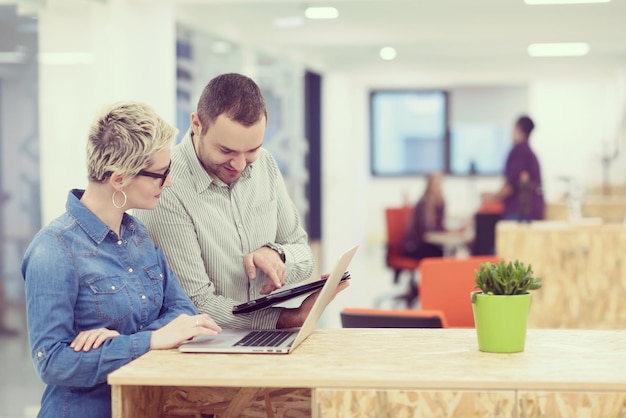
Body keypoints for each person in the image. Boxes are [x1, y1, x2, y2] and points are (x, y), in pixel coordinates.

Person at [21, 102, 222, 418]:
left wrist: (128, 342)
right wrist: (151, 340)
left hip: (141, 405)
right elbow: (53, 363)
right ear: (119, 179)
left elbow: (183, 311)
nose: (168, 182)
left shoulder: (137, 234)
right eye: (160, 174)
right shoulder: (53, 250)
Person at [135, 73, 337, 331]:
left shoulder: (265, 164)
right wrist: (286, 319)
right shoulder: (166, 187)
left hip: (264, 341)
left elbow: (303, 253)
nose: (240, 165)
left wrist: (276, 254)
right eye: (226, 151)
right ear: (196, 124)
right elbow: (195, 303)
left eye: (251, 150)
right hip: (207, 345)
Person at [488, 115, 544, 221]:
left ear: (517, 128)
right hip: (534, 210)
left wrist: (493, 197)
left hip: (520, 212)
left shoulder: (518, 152)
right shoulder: (529, 153)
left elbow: (511, 185)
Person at [403, 173, 446, 261]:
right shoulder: (423, 204)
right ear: (429, 186)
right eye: (436, 184)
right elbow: (425, 233)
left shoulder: (439, 204)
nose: (439, 188)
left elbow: (439, 227)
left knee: (441, 252)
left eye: (440, 184)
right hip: (416, 246)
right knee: (438, 254)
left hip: (429, 245)